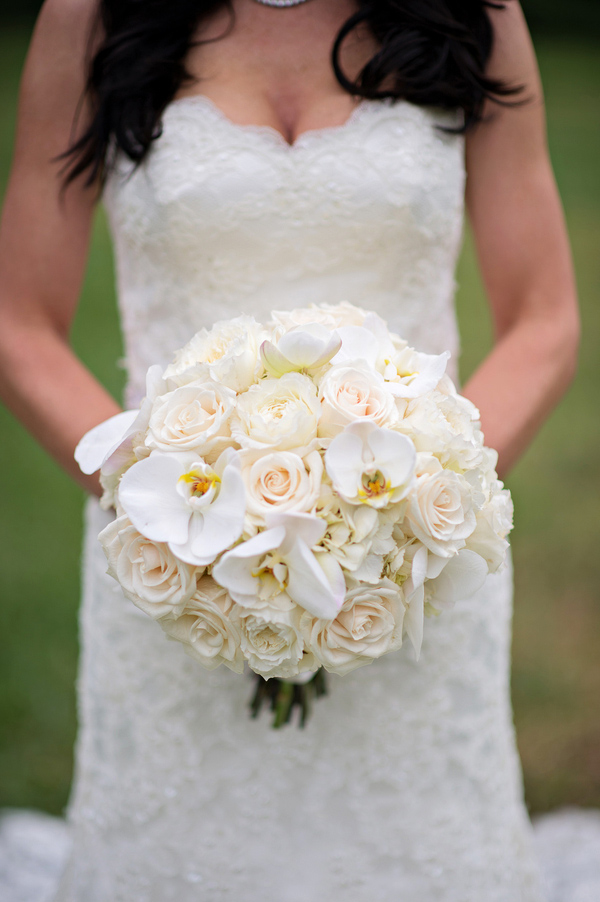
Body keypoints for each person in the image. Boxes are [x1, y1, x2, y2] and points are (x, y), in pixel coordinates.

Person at [0, 0, 585, 900]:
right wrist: (168, 522)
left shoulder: (474, 13)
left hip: (418, 577)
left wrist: (408, 525)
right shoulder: (93, 16)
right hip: (171, 551)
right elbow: (19, 325)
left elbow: (546, 318)